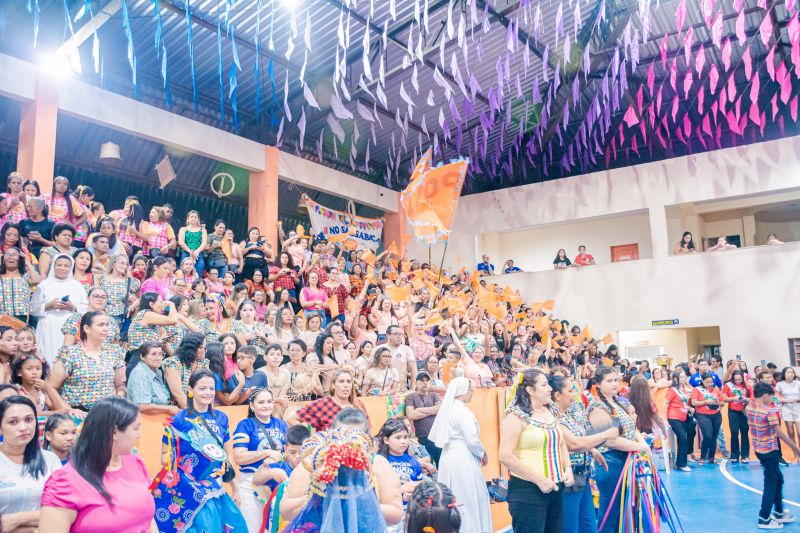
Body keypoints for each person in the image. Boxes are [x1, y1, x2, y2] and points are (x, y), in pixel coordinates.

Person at [39, 397, 155, 532]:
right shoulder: (65, 482)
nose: (139, 435)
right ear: (114, 432)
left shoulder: (135, 463)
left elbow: (148, 519)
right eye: (136, 428)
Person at [153, 369, 247, 532]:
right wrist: (185, 465)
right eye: (202, 388)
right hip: (188, 488)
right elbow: (164, 456)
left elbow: (226, 458)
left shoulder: (222, 418)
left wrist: (235, 488)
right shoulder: (179, 420)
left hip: (215, 487)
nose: (208, 393)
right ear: (190, 390)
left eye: (211, 388)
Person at [279, 408, 404, 528]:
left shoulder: (378, 464)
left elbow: (395, 514)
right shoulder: (313, 463)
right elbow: (286, 511)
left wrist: (358, 499)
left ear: (367, 439)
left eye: (355, 438)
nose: (347, 443)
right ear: (332, 434)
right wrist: (320, 496)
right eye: (342, 436)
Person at [499, 369, 572, 533]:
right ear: (530, 390)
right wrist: (539, 480)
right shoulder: (516, 416)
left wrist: (567, 468)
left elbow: (560, 443)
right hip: (528, 491)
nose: (550, 389)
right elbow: (505, 456)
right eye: (544, 385)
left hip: (556, 488)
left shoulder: (551, 412)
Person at [549, 374, 618, 533]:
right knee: (571, 528)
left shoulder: (567, 413)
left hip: (582, 477)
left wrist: (592, 450)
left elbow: (579, 438)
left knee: (589, 527)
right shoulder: (552, 417)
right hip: (569, 480)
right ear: (557, 395)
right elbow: (573, 443)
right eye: (570, 390)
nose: (574, 394)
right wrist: (605, 435)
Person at [587, 366, 650, 533]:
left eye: (616, 380)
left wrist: (643, 444)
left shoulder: (617, 402)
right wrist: (641, 446)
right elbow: (610, 441)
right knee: (611, 513)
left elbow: (632, 429)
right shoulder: (597, 407)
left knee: (624, 512)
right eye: (609, 381)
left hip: (626, 461)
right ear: (598, 384)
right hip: (610, 463)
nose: (614, 384)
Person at [428, 377, 492, 533]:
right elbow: (472, 439)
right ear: (463, 391)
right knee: (468, 496)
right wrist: (482, 452)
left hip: (448, 457)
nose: (473, 392)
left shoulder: (449, 409)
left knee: (452, 494)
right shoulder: (462, 411)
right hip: (463, 457)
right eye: (470, 389)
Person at [0, 396, 63, 531]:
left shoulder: (50, 460)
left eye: (29, 420)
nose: (23, 427)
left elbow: (61, 511)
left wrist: (15, 520)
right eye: (13, 422)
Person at [232, 388, 288, 532]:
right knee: (253, 528)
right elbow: (239, 457)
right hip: (250, 483)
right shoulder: (245, 425)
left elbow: (290, 453)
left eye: (269, 401)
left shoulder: (281, 424)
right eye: (261, 402)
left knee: (275, 528)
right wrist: (266, 453)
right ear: (252, 405)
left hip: (276, 483)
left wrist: (282, 457)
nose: (266, 405)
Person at [49, 311, 126, 412]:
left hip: (107, 412)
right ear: (86, 328)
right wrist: (68, 410)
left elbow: (119, 386)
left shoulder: (113, 352)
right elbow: (50, 386)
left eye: (107, 325)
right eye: (101, 325)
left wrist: (119, 398)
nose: (105, 328)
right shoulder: (70, 354)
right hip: (79, 414)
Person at [746, 383, 800, 529]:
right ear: (765, 396)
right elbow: (780, 433)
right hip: (770, 450)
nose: (772, 399)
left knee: (778, 479)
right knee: (771, 483)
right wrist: (796, 449)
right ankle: (764, 517)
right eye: (771, 397)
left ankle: (779, 511)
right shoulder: (768, 411)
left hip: (758, 449)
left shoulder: (749, 407)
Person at [30, 254, 88, 364]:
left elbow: (86, 307)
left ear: (71, 268)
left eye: (66, 266)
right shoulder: (44, 284)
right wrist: (48, 306)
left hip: (70, 326)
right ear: (53, 266)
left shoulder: (77, 286)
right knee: (47, 353)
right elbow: (33, 308)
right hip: (48, 324)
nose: (62, 268)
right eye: (59, 265)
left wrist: (73, 307)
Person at [287, 369, 367, 432]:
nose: (345, 385)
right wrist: (309, 438)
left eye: (349, 382)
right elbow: (292, 419)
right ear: (333, 385)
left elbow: (367, 430)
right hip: (329, 447)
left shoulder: (358, 404)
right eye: (341, 381)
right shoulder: (322, 404)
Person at [377, 418, 425, 507]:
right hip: (388, 508)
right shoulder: (379, 461)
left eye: (406, 437)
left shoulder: (412, 461)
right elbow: (377, 491)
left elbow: (420, 484)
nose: (403, 441)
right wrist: (402, 490)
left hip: (409, 508)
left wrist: (412, 493)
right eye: (398, 438)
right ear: (386, 440)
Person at [126, 341, 178, 415]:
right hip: (144, 419)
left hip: (158, 417)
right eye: (153, 354)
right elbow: (142, 406)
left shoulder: (157, 371)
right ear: (142, 357)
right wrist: (168, 408)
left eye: (160, 354)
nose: (158, 358)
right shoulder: (140, 373)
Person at [162, 331, 209, 408]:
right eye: (204, 348)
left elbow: (208, 389)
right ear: (193, 348)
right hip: (177, 409)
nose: (206, 350)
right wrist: (193, 412)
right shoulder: (173, 363)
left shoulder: (203, 363)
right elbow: (177, 394)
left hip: (200, 407)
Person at [405, 371, 442, 466]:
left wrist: (419, 410)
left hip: (437, 435)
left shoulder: (434, 395)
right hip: (422, 438)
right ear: (416, 383)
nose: (425, 383)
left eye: (427, 380)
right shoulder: (410, 397)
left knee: (441, 465)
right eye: (422, 380)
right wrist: (432, 410)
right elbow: (411, 415)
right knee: (428, 466)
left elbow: (439, 409)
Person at [665, 370, 696, 471]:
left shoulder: (683, 389)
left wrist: (689, 408)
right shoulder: (672, 390)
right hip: (673, 417)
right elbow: (665, 403)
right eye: (681, 377)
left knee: (682, 439)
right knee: (683, 439)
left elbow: (682, 403)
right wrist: (664, 419)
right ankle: (682, 464)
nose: (684, 378)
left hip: (683, 417)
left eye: (684, 377)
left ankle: (680, 463)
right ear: (675, 379)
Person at [691, 372, 724, 464]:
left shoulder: (716, 389)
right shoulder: (697, 389)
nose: (709, 384)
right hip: (702, 415)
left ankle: (712, 457)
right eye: (707, 382)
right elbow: (693, 403)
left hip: (716, 415)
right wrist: (706, 401)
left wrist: (717, 402)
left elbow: (722, 403)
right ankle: (702, 457)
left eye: (711, 382)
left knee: (714, 437)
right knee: (708, 435)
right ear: (702, 381)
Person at [0, 246, 40, 322]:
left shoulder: (25, 277)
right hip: (2, 318)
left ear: (20, 259)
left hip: (21, 319)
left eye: (14, 254)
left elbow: (36, 280)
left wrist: (27, 262)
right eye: (8, 254)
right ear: (3, 259)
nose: (11, 257)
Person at [375, 325, 417, 393]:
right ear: (388, 335)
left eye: (400, 334)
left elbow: (414, 370)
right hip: (381, 392)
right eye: (396, 334)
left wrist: (413, 388)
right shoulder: (378, 349)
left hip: (401, 391)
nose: (399, 336)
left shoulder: (407, 349)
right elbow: (370, 368)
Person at [723, 369, 752, 463]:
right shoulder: (728, 385)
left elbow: (752, 398)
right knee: (734, 432)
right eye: (736, 379)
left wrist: (747, 400)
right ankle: (735, 455)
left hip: (744, 411)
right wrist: (733, 398)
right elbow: (724, 398)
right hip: (733, 411)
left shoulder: (747, 385)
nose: (738, 381)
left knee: (744, 432)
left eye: (740, 379)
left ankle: (745, 455)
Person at [18, 196, 55, 261]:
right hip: (27, 256)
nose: (28, 209)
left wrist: (41, 239)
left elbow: (56, 244)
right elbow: (22, 242)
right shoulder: (23, 223)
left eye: (31, 207)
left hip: (46, 256)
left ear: (40, 209)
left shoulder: (51, 224)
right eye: (28, 206)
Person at [776, 367, 800, 448]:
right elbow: (776, 398)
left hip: (798, 409)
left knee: (799, 432)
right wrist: (787, 400)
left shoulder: (798, 383)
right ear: (784, 374)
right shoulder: (779, 384)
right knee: (790, 432)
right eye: (788, 372)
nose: (791, 374)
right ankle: (795, 452)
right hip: (787, 410)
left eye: (792, 372)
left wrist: (797, 399)